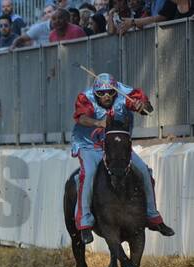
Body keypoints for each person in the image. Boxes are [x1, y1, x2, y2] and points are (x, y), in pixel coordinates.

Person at [71, 73, 175, 244]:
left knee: (143, 171)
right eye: (101, 94)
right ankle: (84, 223)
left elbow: (148, 109)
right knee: (88, 174)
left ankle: (152, 215)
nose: (106, 97)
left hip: (117, 145)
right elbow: (81, 117)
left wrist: (142, 106)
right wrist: (98, 123)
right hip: (89, 145)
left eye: (109, 93)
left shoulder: (126, 92)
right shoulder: (85, 97)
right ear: (95, 93)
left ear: (115, 91)